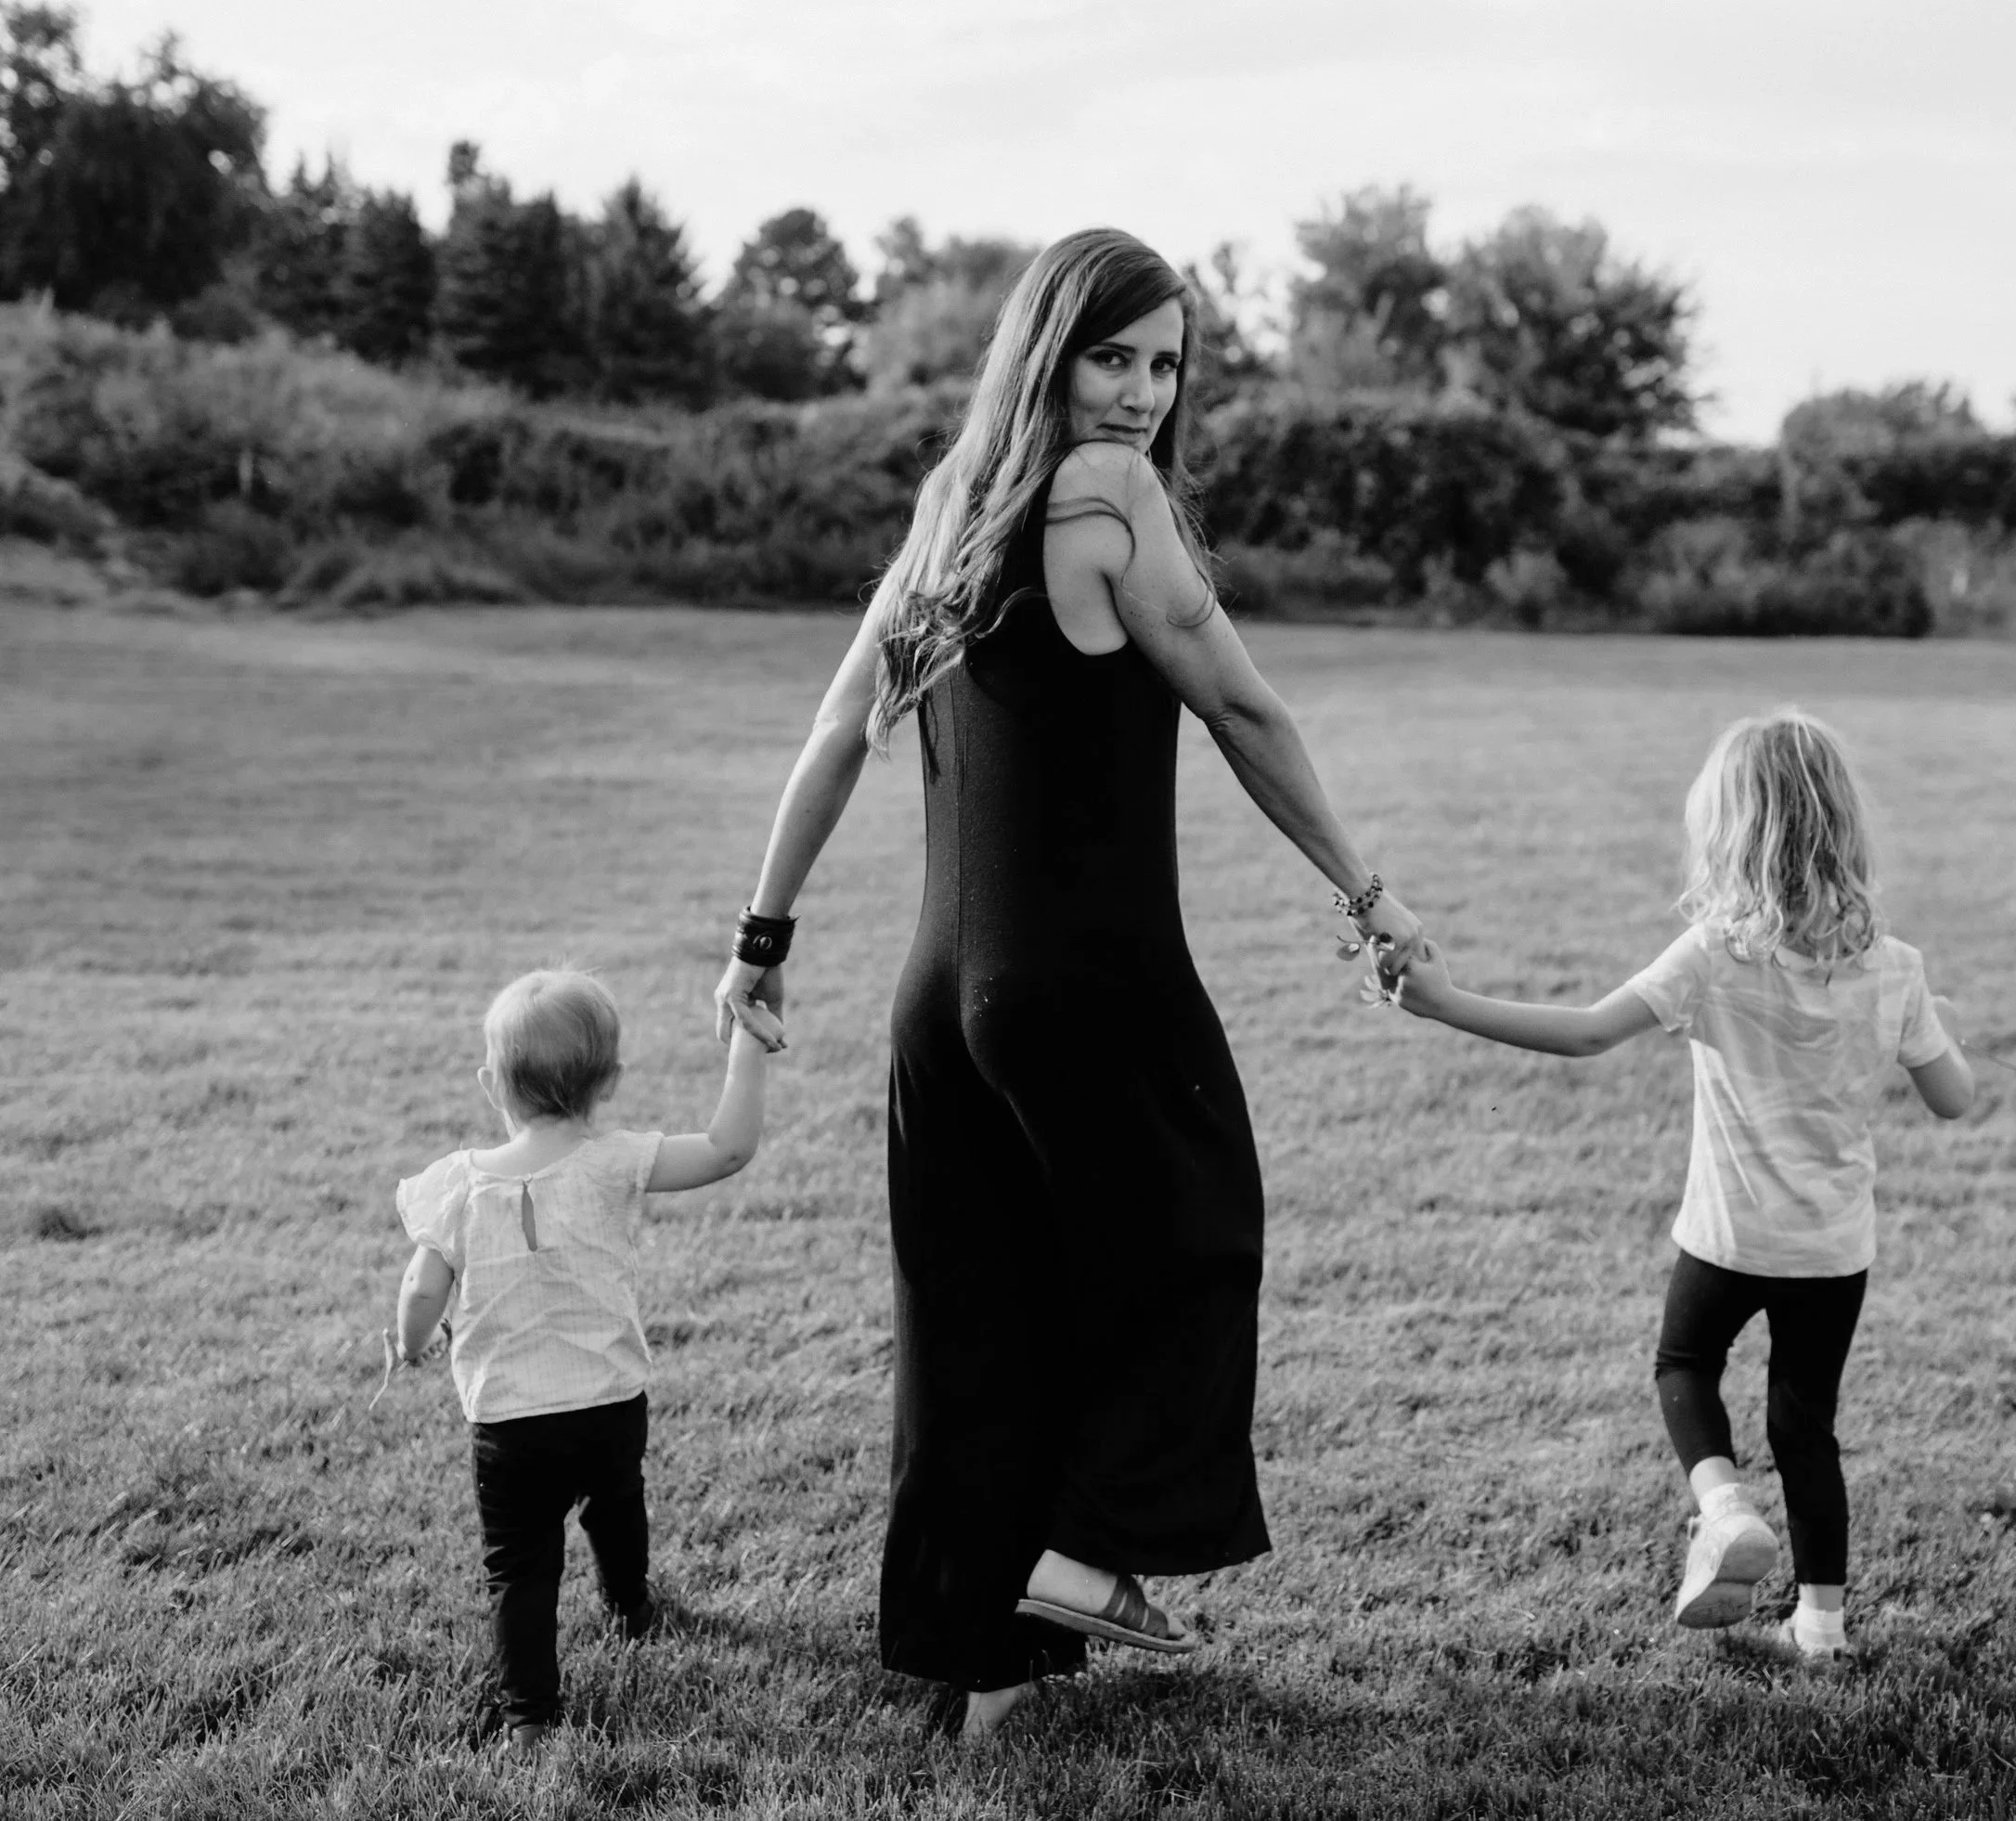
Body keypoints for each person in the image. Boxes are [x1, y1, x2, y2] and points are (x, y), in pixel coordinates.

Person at [712, 226, 1424, 1736]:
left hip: (940, 1000)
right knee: (1198, 1228)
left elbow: (839, 730)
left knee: (980, 1322)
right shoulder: (1110, 496)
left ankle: (983, 1674)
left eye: (1167, 366)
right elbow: (1237, 698)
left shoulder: (950, 504)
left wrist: (759, 939)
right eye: (1115, 356)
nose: (1143, 395)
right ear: (1048, 349)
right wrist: (1365, 891)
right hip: (1088, 977)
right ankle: (1096, 1553)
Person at [1391, 710, 1973, 1661]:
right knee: (1804, 1424)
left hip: (1726, 1239)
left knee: (1684, 1368)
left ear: (1731, 834)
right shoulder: (1896, 968)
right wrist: (1937, 1027)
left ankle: (1723, 1503)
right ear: (1843, 828)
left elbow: (1585, 1033)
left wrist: (1447, 1002)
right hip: (1831, 1251)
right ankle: (1821, 1626)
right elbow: (1953, 1099)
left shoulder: (1713, 954)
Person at [386, 966, 783, 1750]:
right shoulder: (615, 1161)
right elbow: (729, 1148)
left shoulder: (456, 1187)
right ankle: (630, 1603)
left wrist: (410, 1343)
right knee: (616, 1502)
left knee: (522, 1568)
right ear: (612, 1082)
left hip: (510, 1422)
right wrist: (748, 1043)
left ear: (489, 1082)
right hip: (608, 1404)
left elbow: (422, 1285)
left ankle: (530, 1714)